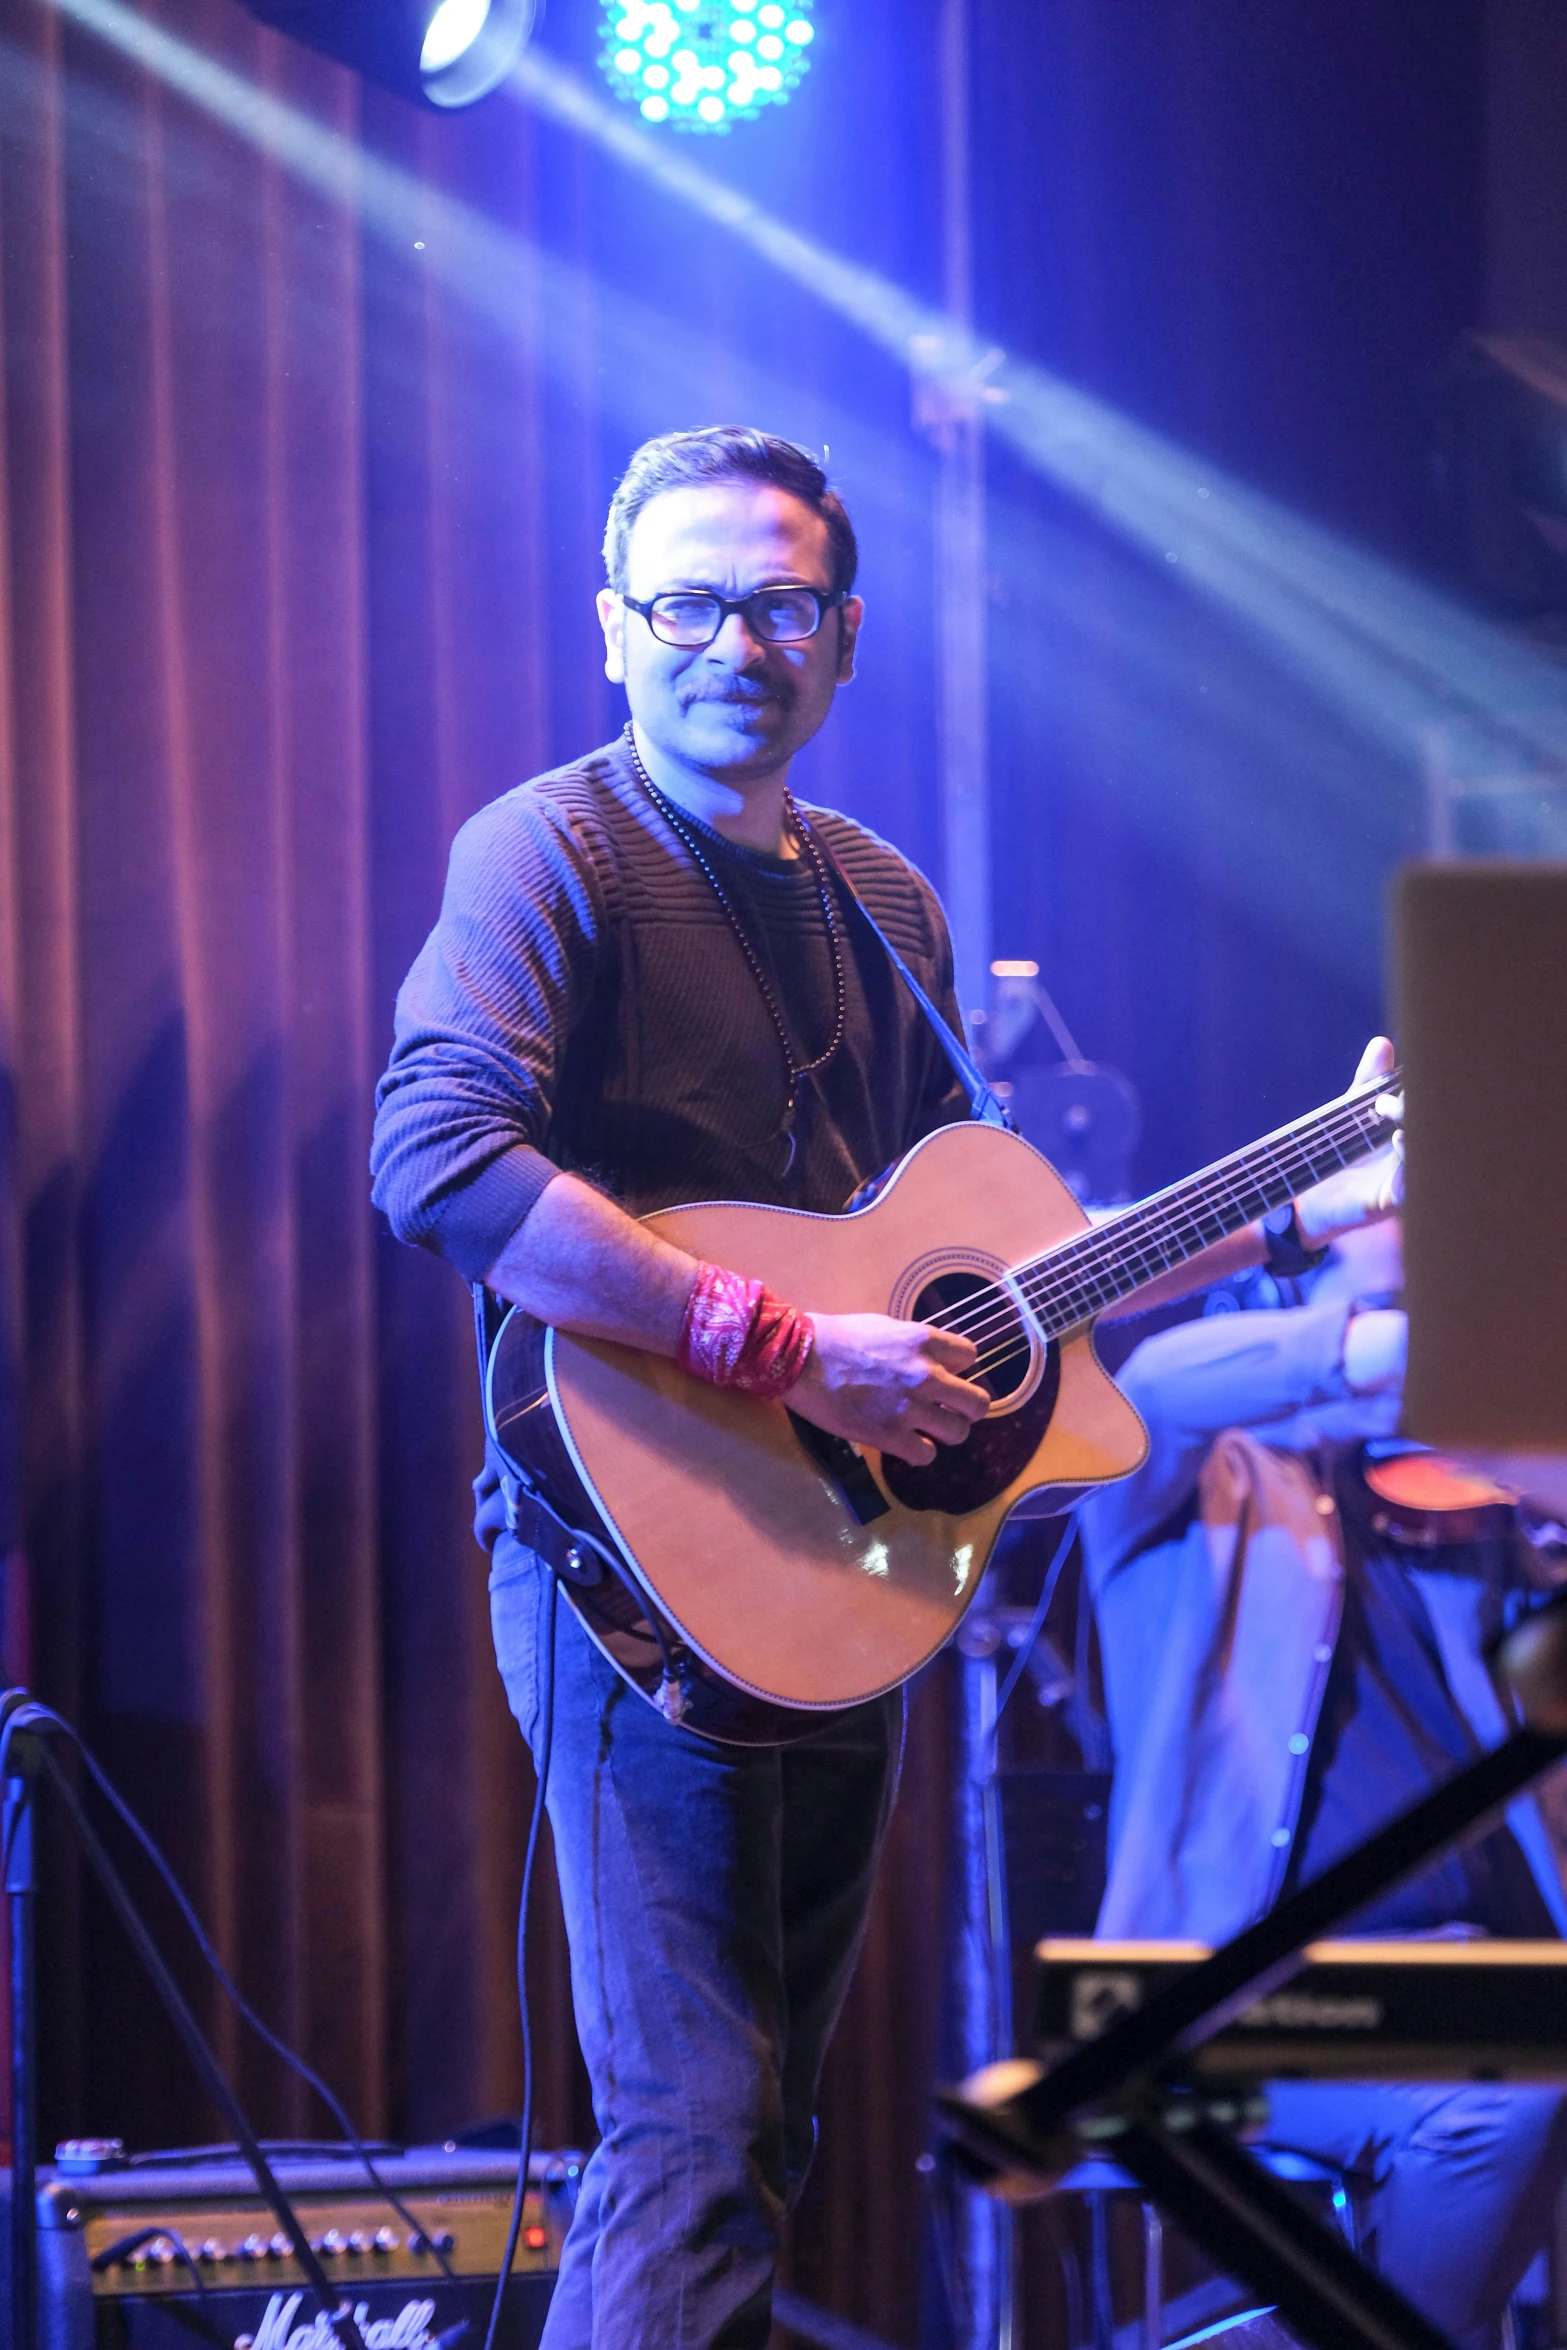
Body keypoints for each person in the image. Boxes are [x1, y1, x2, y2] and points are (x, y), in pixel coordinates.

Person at [370, 425, 1399, 2350]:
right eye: (688, 600)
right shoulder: (550, 851)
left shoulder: (877, 901)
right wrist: (782, 1346)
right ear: (613, 630)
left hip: (843, 1574)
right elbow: (437, 1163)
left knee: (759, 2132)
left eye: (780, 603)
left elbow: (1010, 1280)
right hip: (632, 1566)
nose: (733, 641)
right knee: (689, 2133)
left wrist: (1292, 1200)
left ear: (844, 638)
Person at [1083, 1221, 1567, 2350]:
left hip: (1470, 1974)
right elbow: (1151, 1378)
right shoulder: (1190, 1489)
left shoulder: (1461, 1525)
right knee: (1503, 2089)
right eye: (1391, 1305)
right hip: (1217, 1994)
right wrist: (1383, 1355)